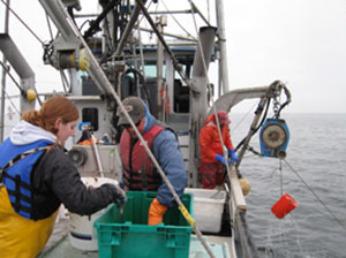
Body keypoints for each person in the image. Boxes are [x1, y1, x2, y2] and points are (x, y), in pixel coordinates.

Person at [0, 96, 125, 258]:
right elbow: (80, 202)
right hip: (19, 242)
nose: (74, 132)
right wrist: (111, 191)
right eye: (71, 126)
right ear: (58, 123)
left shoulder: (13, 140)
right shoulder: (53, 156)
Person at [117, 96, 187, 225]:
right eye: (126, 125)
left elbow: (178, 176)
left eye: (135, 124)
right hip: (132, 202)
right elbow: (125, 171)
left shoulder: (163, 138)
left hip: (156, 200)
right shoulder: (127, 134)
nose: (131, 129)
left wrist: (159, 207)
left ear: (145, 117)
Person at [198, 111, 239, 189]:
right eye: (223, 123)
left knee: (220, 179)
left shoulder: (224, 127)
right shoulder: (207, 129)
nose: (225, 124)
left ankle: (218, 192)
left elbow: (227, 140)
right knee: (209, 182)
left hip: (219, 159)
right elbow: (204, 148)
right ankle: (209, 197)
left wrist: (231, 150)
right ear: (218, 121)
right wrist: (217, 157)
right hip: (208, 161)